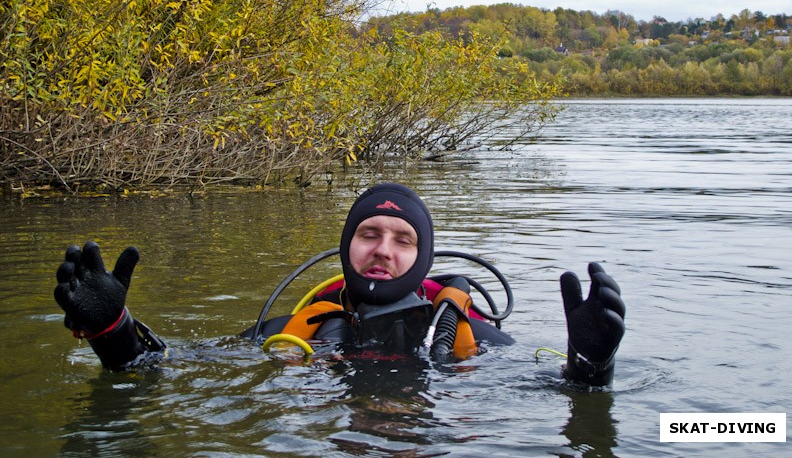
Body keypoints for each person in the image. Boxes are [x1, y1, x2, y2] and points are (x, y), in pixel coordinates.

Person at [54, 182, 625, 385]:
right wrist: (113, 332)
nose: (383, 249)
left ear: (425, 256)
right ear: (347, 245)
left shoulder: (479, 342)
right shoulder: (287, 332)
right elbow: (160, 372)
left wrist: (592, 365)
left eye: (403, 240)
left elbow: (555, 394)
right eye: (369, 233)